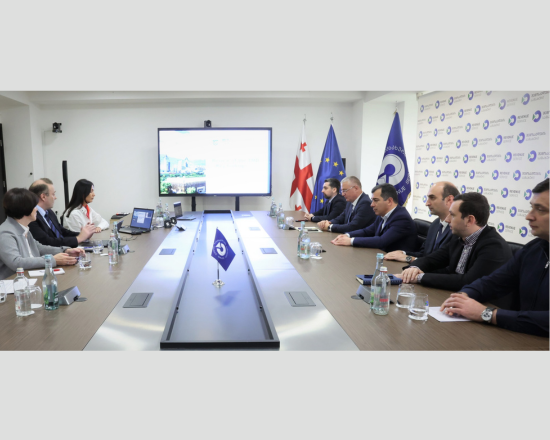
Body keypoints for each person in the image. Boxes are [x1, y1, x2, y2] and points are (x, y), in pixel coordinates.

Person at [439, 179, 549, 337]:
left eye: (540, 209)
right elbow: (493, 282)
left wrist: (488, 314)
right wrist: (464, 296)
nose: (528, 216)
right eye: (531, 207)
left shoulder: (493, 244)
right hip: (522, 338)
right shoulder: (533, 249)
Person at [396, 192, 512, 292]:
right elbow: (432, 259)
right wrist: (414, 268)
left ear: (469, 220)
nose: (447, 220)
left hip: (485, 305)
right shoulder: (458, 238)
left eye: (452, 215)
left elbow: (467, 281)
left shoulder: (494, 247)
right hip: (455, 296)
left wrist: (419, 277)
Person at [0, 188, 84, 280]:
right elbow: (16, 263)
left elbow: (39, 248)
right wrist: (52, 260)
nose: (36, 209)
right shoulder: (5, 233)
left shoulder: (23, 228)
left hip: (29, 277)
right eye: (34, 206)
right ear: (25, 209)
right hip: (14, 283)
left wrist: (65, 251)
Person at [331, 183, 418, 253]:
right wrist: (347, 235)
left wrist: (350, 241)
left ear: (389, 201)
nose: (372, 204)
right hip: (381, 256)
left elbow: (381, 241)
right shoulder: (382, 214)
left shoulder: (401, 218)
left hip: (397, 265)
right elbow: (366, 231)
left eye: (376, 200)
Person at [385, 181, 458, 264]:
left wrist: (409, 258)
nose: (427, 203)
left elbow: (444, 264)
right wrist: (403, 253)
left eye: (432, 198)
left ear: (449, 200)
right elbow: (424, 254)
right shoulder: (435, 224)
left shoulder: (458, 229)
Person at [28, 178, 96, 247]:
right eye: (53, 194)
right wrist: (78, 238)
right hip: (55, 252)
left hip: (64, 250)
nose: (55, 197)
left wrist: (84, 234)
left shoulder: (49, 212)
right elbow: (47, 242)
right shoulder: (31, 217)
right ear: (43, 197)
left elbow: (62, 231)